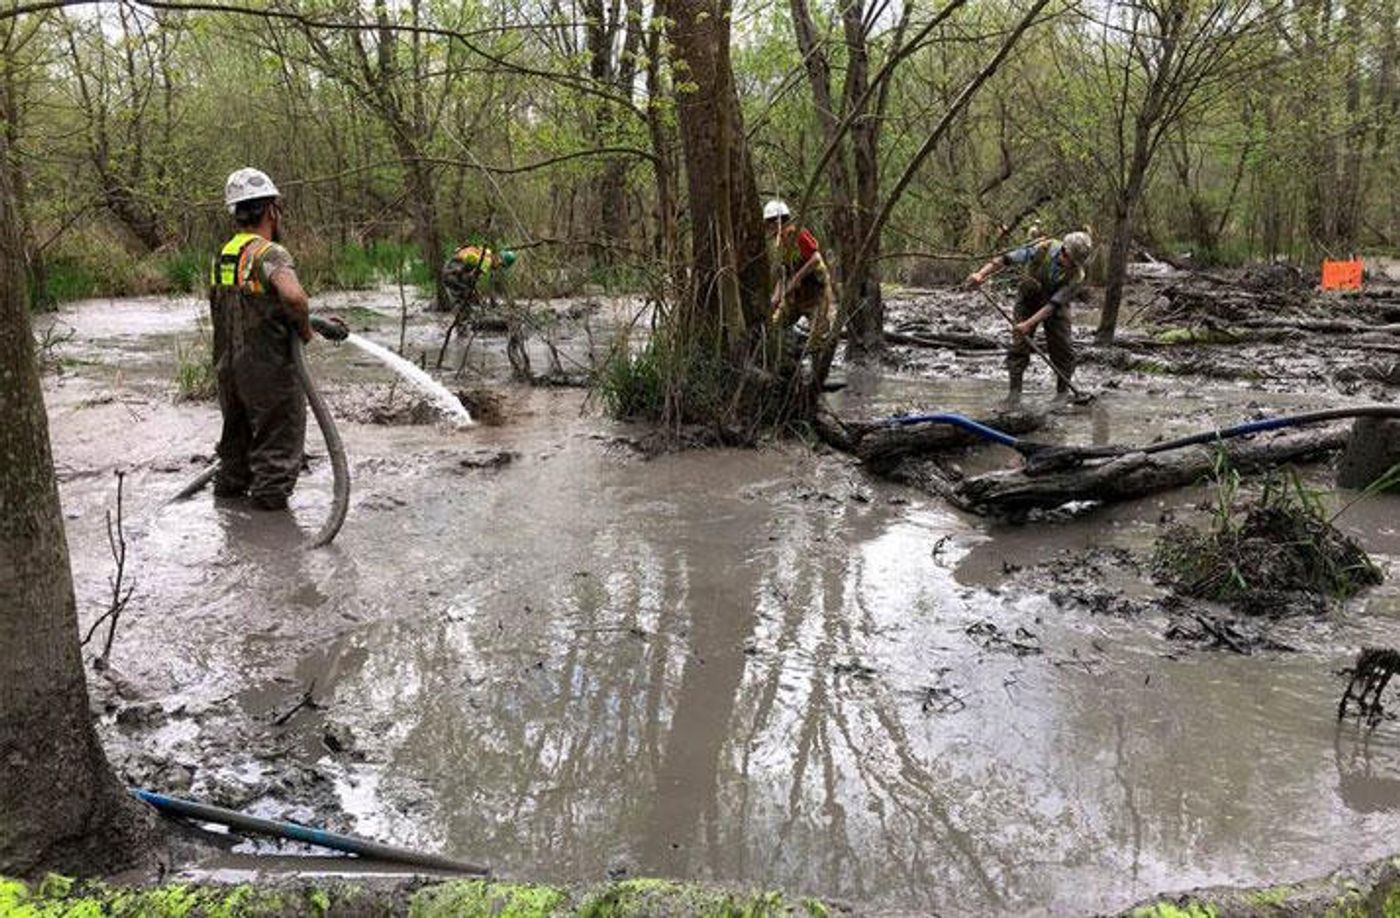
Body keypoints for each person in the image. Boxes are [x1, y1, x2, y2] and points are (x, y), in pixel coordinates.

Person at [209, 167, 316, 510]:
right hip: (268, 371)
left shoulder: (224, 254)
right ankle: (275, 544)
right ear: (271, 209)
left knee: (235, 453)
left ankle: (231, 525)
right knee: (276, 454)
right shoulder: (270, 253)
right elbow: (294, 297)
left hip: (229, 370)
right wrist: (305, 328)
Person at [966, 230, 1093, 400]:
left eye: (1076, 264)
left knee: (1063, 349)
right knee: (1019, 346)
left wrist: (1028, 324)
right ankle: (1014, 395)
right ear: (1064, 251)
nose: (1072, 266)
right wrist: (980, 274)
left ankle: (1062, 395)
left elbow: (1052, 306)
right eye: (1072, 262)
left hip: (1054, 306)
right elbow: (1005, 259)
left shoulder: (1077, 276)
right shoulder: (1042, 248)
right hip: (1028, 299)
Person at [765, 199, 836, 370]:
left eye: (769, 223)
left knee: (818, 337)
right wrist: (776, 297)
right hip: (796, 295)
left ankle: (817, 375)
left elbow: (815, 258)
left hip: (816, 292)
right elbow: (783, 272)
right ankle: (786, 365)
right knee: (776, 325)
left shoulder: (797, 233)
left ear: (778, 221)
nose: (768, 228)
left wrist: (796, 278)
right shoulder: (778, 243)